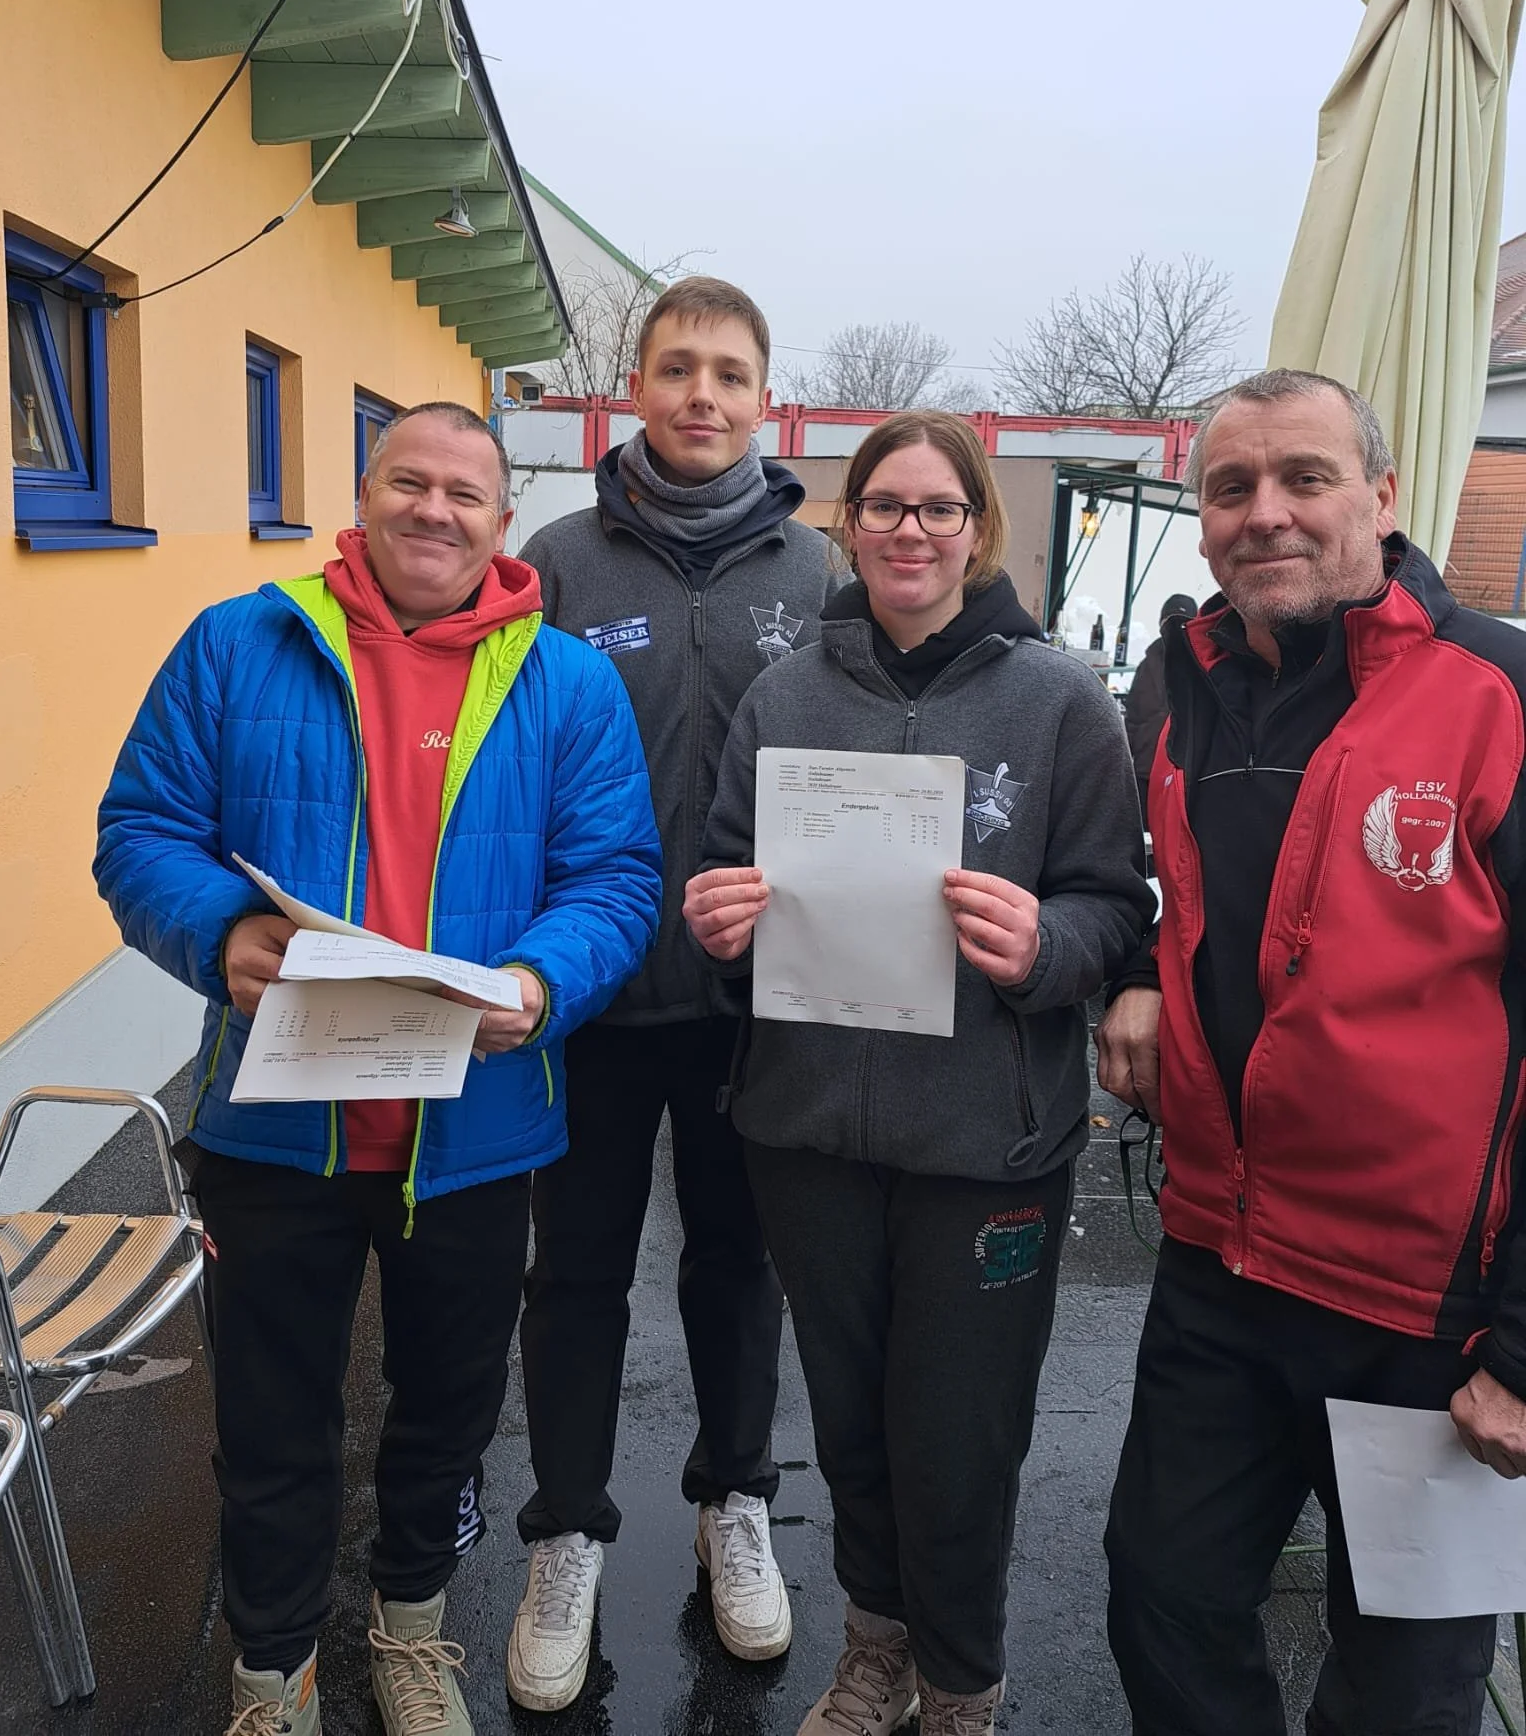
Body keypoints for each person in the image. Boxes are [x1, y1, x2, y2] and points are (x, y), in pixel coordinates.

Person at [93, 402, 660, 1736]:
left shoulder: (569, 684)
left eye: (465, 493)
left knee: (448, 1408)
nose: (435, 511)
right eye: (410, 482)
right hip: (275, 1127)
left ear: (501, 521)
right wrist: (216, 930)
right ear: (365, 493)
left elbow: (616, 881)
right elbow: (140, 830)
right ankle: (269, 1671)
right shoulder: (241, 644)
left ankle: (412, 1633)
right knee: (273, 1421)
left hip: (475, 1129)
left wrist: (543, 982)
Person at [686, 409, 1152, 1736]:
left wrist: (1046, 939)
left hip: (982, 1145)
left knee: (958, 1436)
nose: (908, 528)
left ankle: (961, 1678)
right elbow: (728, 872)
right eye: (884, 504)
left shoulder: (1062, 699)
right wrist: (720, 923)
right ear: (851, 522)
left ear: (977, 528)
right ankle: (877, 1645)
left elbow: (1118, 910)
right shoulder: (788, 694)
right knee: (849, 1420)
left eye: (937, 508)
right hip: (806, 1129)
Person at [1096, 368, 1526, 1736]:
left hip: (1428, 1308)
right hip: (1218, 1265)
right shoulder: (1178, 683)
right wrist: (1129, 975)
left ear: (1384, 499)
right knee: (1161, 1603)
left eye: (1306, 479)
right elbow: (1142, 884)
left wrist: (1523, 1346)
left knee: (1405, 1685)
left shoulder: (1498, 693)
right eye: (1231, 489)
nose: (1265, 515)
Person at [506, 277, 843, 1712]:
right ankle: (568, 1531)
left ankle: (736, 1501)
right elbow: (500, 769)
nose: (701, 395)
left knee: (734, 1264)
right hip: (583, 1000)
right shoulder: (559, 560)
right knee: (575, 1273)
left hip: (751, 1006)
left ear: (767, 401)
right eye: (676, 369)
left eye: (729, 374)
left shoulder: (817, 574)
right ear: (632, 389)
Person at [1122, 592, 1197, 825]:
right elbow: (1133, 716)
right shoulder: (1148, 663)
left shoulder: (1203, 665)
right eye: (1170, 621)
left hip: (1185, 776)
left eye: (1183, 622)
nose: (1175, 628)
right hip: (1145, 769)